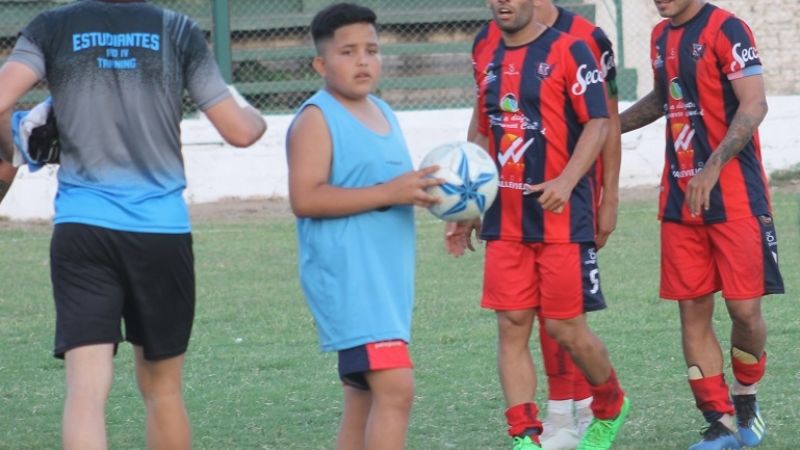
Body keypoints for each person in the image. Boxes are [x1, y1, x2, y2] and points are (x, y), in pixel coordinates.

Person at [0, 0, 267, 448]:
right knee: (163, 391)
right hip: (160, 233)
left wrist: (23, 131)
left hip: (83, 229)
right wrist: (245, 106)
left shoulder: (51, 25)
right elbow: (241, 131)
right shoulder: (176, 29)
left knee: (85, 392)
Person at [447, 1, 629, 449]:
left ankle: (610, 403)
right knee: (511, 323)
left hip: (560, 220)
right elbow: (483, 129)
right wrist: (467, 203)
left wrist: (569, 180)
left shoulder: (571, 50)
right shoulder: (487, 55)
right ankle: (524, 436)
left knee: (565, 328)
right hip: (504, 218)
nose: (502, 2)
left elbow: (598, 122)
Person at [619, 1, 783, 449]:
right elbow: (662, 98)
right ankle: (720, 421)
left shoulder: (728, 28)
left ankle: (746, 396)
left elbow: (755, 104)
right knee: (691, 310)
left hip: (736, 199)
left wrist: (712, 167)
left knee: (745, 311)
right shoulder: (660, 36)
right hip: (679, 200)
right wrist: (609, 127)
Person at [285, 4, 442, 450]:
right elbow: (306, 197)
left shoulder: (384, 112)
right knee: (397, 389)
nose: (363, 61)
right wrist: (389, 192)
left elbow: (401, 187)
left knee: (365, 398)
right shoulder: (316, 118)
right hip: (351, 282)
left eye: (371, 50)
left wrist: (449, 208)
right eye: (348, 52)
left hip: (387, 283)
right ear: (321, 63)